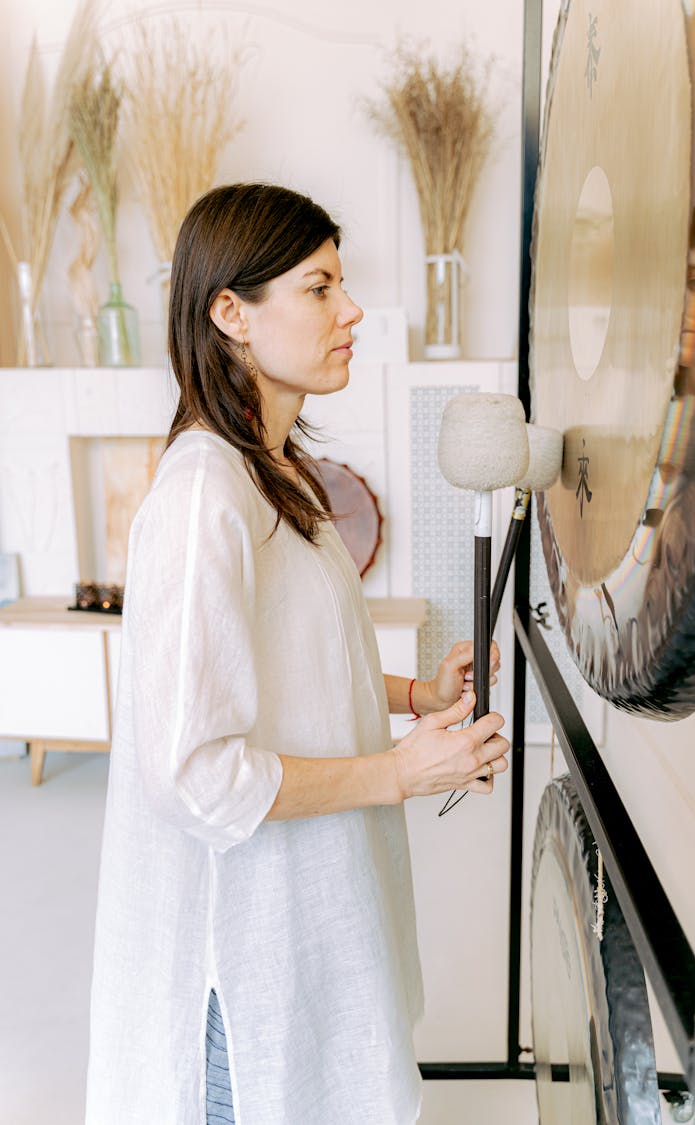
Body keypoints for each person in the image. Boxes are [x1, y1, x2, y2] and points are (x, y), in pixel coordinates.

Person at [85, 182, 509, 1125]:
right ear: (230, 312)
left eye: (341, 284)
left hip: (310, 919)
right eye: (320, 288)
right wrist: (401, 770)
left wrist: (412, 694)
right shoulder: (205, 497)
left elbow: (283, 665)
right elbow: (195, 774)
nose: (353, 309)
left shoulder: (275, 475)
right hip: (238, 965)